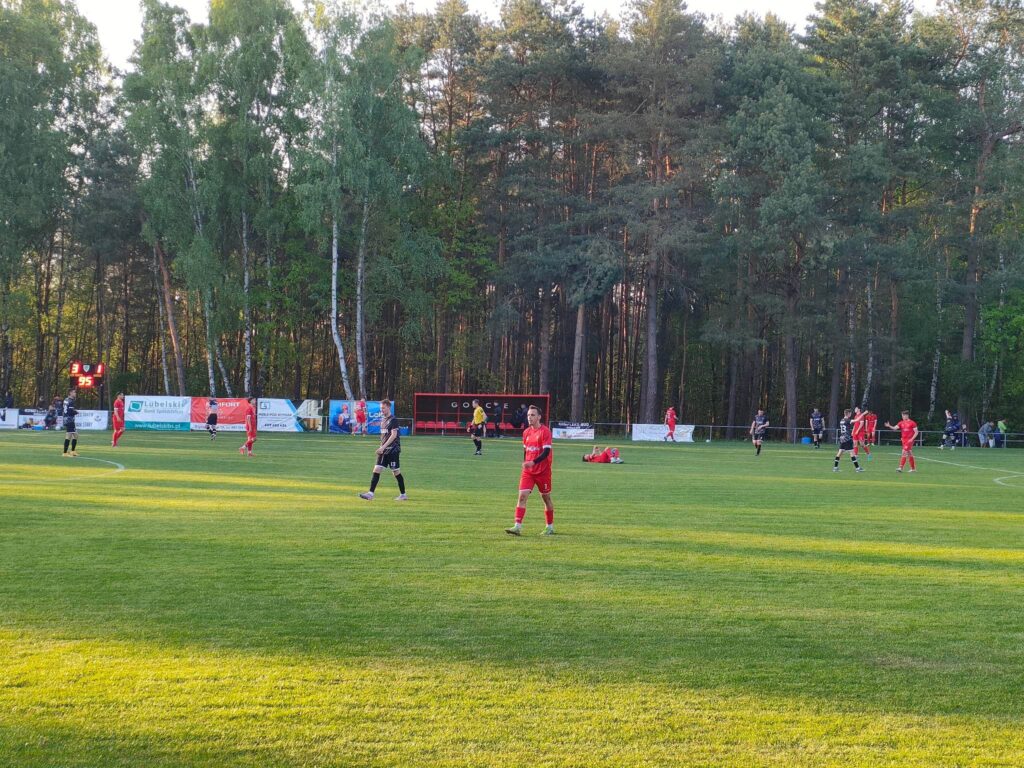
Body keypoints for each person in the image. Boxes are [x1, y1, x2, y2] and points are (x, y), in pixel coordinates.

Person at [506, 405, 554, 536]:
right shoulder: (526, 432)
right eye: (528, 415)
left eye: (532, 415)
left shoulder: (545, 432)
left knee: (546, 498)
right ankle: (517, 526)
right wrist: (526, 462)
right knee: (522, 496)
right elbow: (525, 451)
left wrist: (533, 462)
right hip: (528, 472)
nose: (530, 417)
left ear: (539, 417)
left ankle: (549, 527)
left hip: (543, 471)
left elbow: (546, 452)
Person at [359, 400, 407, 501]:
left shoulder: (393, 420)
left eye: (383, 408)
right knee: (376, 469)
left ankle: (403, 495)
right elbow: (384, 436)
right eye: (381, 408)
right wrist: (381, 447)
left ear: (389, 407)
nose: (382, 410)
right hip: (383, 450)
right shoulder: (383, 420)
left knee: (396, 472)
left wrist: (383, 447)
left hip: (393, 450)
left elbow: (393, 436)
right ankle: (370, 494)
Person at [62, 393, 79, 457]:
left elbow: (67, 410)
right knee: (69, 436)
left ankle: (72, 451)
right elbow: (70, 411)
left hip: (67, 419)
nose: (75, 393)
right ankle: (65, 453)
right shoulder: (71, 401)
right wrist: (76, 412)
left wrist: (73, 411)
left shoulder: (66, 400)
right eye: (74, 392)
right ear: (70, 393)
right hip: (70, 420)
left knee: (75, 435)